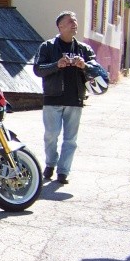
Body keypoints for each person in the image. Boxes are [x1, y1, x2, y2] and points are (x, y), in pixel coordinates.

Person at [32, 11, 96, 185]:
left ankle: (63, 171)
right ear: (60, 26)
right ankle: (50, 163)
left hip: (75, 99)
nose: (74, 23)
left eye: (75, 20)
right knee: (51, 135)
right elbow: (38, 69)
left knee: (71, 140)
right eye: (70, 21)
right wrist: (56, 65)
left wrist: (85, 65)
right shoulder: (47, 47)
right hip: (53, 98)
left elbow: (96, 70)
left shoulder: (84, 49)